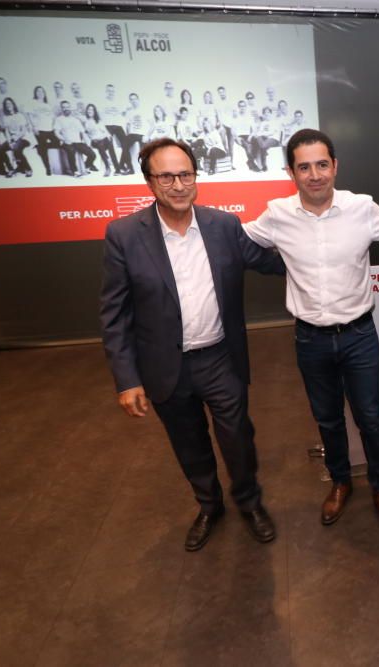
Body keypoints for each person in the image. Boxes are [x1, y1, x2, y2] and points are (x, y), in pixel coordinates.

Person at [99, 138, 284, 550]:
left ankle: (249, 502)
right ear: (149, 182)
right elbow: (115, 314)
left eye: (185, 174)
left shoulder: (224, 226)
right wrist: (126, 379)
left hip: (220, 358)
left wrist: (323, 250)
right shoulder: (124, 235)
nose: (178, 184)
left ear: (196, 177)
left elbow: (271, 261)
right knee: (189, 444)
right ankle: (208, 505)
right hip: (165, 366)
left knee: (238, 437)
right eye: (166, 176)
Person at [241, 129, 379, 536]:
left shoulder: (361, 208)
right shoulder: (277, 214)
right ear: (291, 172)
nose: (314, 174)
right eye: (304, 167)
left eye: (321, 164)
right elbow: (234, 239)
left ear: (335, 166)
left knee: (372, 418)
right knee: (328, 419)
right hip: (310, 340)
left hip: (359, 335)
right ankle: (340, 481)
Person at [53, 100, 96, 177]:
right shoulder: (59, 119)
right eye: (64, 107)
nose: (66, 109)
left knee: (92, 155)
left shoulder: (75, 120)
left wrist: (88, 143)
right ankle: (75, 171)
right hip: (66, 142)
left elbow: (83, 132)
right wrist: (64, 139)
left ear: (70, 108)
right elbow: (56, 132)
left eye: (67, 107)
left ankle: (85, 167)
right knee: (71, 150)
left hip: (78, 142)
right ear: (61, 109)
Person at [25, 86, 57, 176]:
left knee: (57, 143)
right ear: (35, 93)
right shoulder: (33, 103)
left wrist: (54, 126)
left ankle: (40, 147)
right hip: (39, 128)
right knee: (44, 150)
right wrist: (33, 127)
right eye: (38, 91)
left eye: (42, 91)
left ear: (44, 93)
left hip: (50, 128)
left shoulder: (47, 104)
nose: (40, 93)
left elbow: (52, 116)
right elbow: (28, 115)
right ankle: (48, 168)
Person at [0, 97, 33, 177]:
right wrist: (9, 141)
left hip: (23, 138)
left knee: (16, 149)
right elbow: (6, 131)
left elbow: (23, 131)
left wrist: (15, 139)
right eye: (6, 104)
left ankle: (28, 169)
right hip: (12, 139)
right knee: (0, 149)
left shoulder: (19, 115)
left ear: (13, 104)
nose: (8, 105)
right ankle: (11, 169)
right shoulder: (5, 118)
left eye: (9, 103)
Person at [101, 84, 128, 176]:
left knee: (126, 144)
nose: (110, 92)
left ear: (114, 92)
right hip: (108, 126)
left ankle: (121, 165)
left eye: (112, 91)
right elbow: (100, 118)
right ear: (106, 92)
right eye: (109, 91)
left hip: (118, 125)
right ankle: (117, 169)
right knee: (110, 146)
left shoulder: (118, 101)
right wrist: (104, 131)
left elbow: (123, 112)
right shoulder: (103, 102)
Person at [84, 103, 115, 177]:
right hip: (95, 141)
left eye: (91, 109)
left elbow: (105, 131)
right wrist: (90, 140)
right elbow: (87, 134)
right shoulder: (86, 122)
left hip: (102, 140)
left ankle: (108, 160)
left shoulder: (98, 121)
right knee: (100, 144)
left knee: (107, 142)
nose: (90, 111)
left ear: (94, 111)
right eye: (88, 109)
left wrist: (109, 136)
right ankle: (108, 167)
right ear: (87, 111)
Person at [249, 106, 282, 171]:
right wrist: (255, 135)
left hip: (274, 139)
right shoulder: (263, 123)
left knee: (261, 144)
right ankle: (262, 166)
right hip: (265, 140)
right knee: (259, 146)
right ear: (263, 114)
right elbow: (259, 132)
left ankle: (252, 160)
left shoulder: (275, 121)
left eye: (268, 112)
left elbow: (272, 133)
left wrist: (259, 135)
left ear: (271, 113)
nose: (267, 114)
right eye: (265, 113)